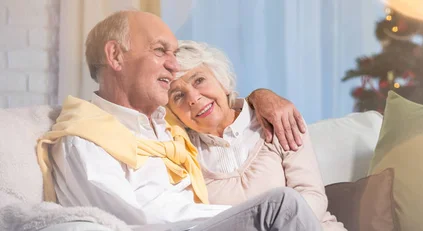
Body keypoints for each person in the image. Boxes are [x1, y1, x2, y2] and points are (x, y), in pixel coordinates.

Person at [36, 10, 322, 231]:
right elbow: (131, 219)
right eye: (160, 51)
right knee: (280, 205)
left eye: (173, 54)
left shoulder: (164, 128)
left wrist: (262, 96)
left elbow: (220, 109)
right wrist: (252, 214)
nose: (173, 65)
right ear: (115, 56)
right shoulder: (84, 138)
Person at [166, 40, 346, 231]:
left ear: (222, 81)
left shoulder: (277, 118)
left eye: (199, 80)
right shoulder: (181, 156)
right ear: (173, 113)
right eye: (178, 96)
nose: (193, 98)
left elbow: (312, 195)